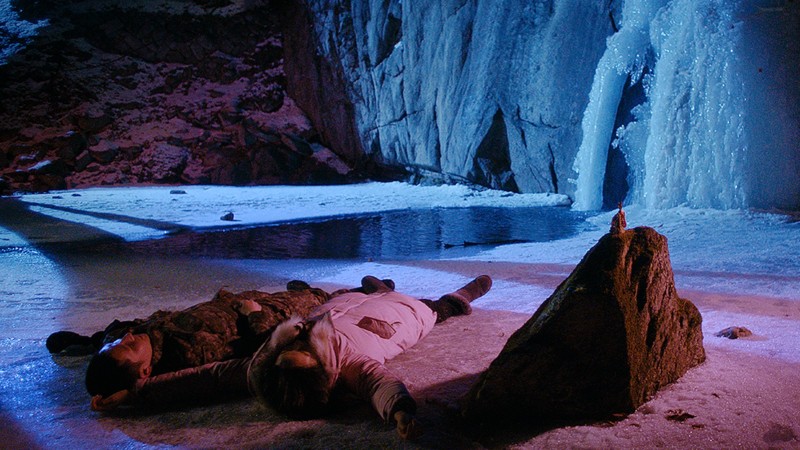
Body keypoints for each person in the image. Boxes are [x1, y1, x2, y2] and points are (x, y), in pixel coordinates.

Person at [48, 281, 331, 399]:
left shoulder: (136, 341)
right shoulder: (190, 351)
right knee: (315, 300)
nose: (129, 338)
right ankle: (318, 291)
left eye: (120, 342)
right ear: (146, 371)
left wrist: (98, 342)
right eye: (130, 346)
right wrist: (254, 315)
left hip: (230, 302)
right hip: (266, 310)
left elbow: (124, 332)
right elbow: (261, 349)